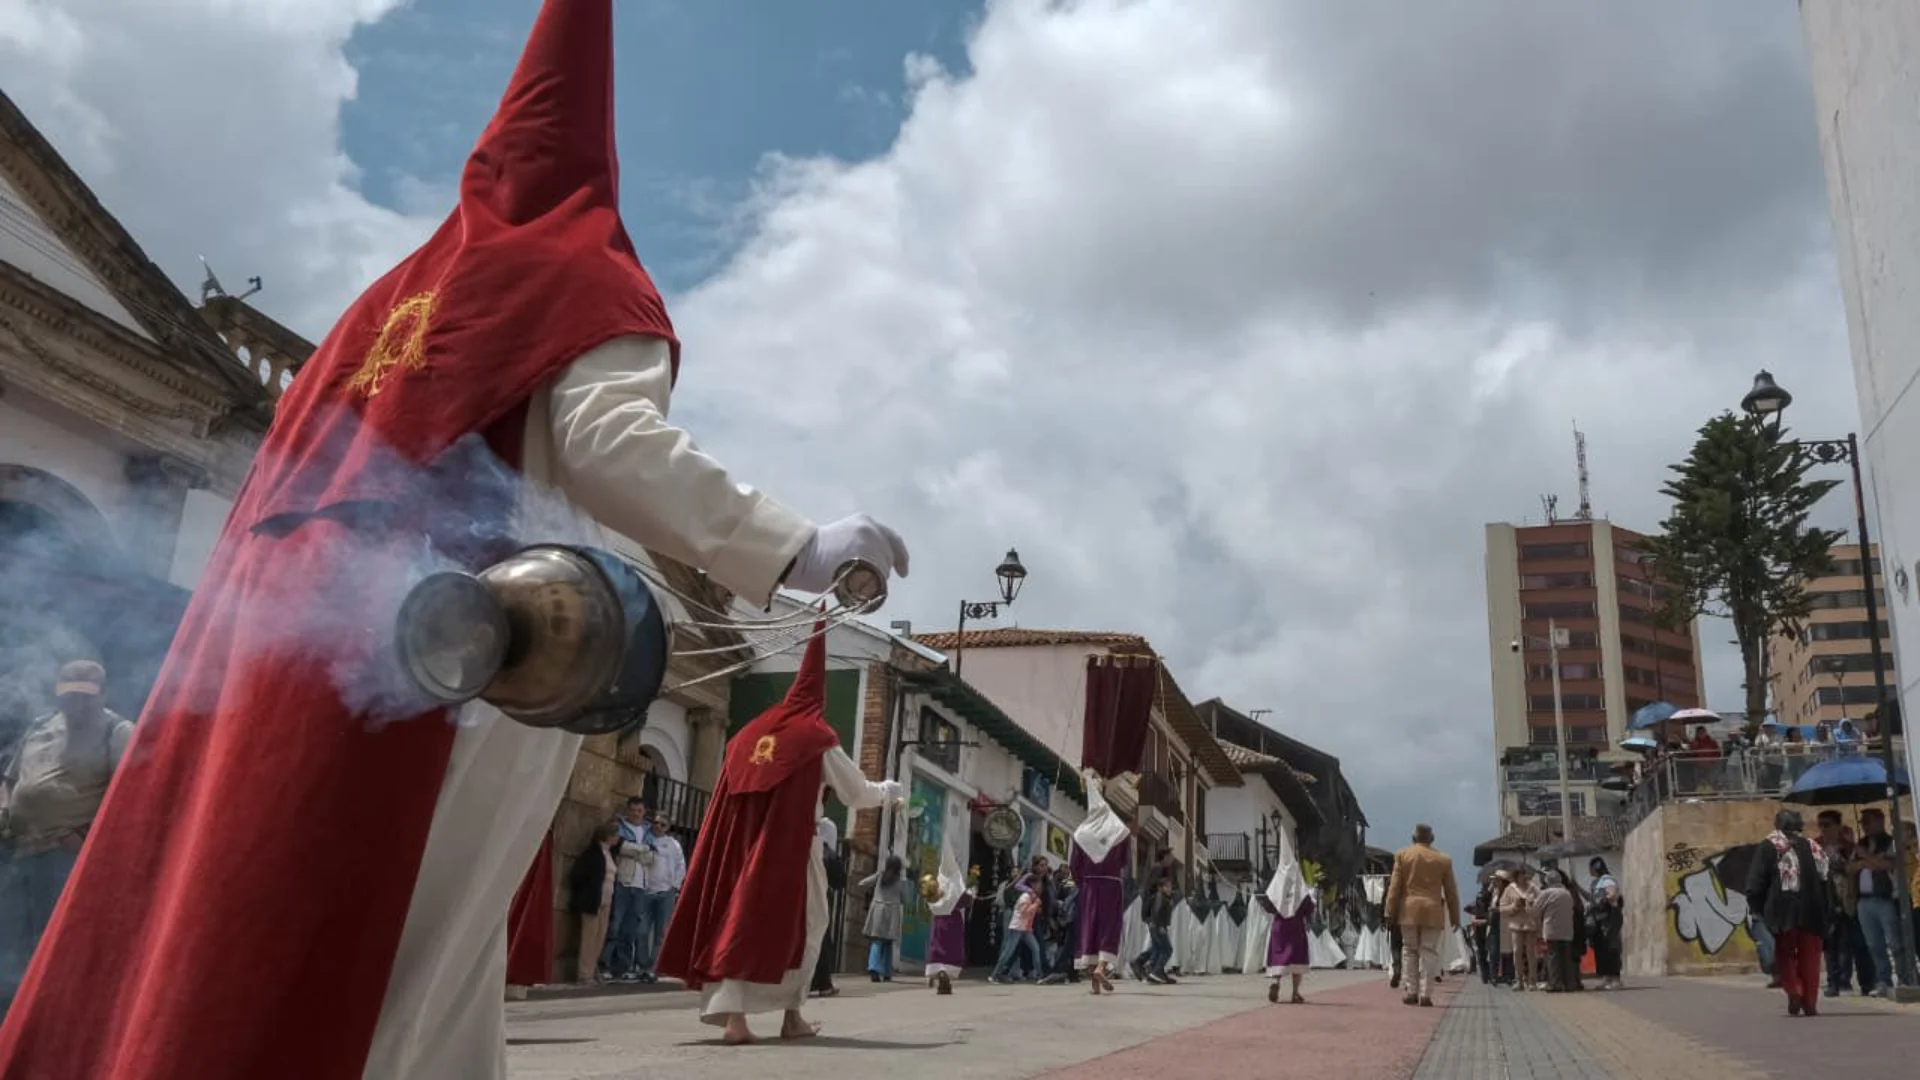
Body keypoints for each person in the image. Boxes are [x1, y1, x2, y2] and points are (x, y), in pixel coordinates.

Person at [0, 2, 914, 1076]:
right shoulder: (583, 273)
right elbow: (608, 440)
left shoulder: (373, 308)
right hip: (471, 654)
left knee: (261, 920)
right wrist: (792, 545)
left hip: (290, 660)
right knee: (410, 945)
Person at [655, 628, 902, 1044]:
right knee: (807, 925)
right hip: (789, 850)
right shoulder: (815, 737)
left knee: (735, 923)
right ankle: (792, 1016)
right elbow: (855, 792)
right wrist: (889, 791)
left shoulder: (744, 737)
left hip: (738, 848)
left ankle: (735, 1019)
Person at [0, 660, 134, 1006]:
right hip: (22, 850)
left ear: (103, 693)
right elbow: (10, 780)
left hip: (67, 857)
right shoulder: (41, 726)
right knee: (15, 948)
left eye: (85, 696)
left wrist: (87, 840)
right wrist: (4, 810)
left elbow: (130, 798)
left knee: (58, 949)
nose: (77, 703)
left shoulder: (116, 731)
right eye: (70, 695)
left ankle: (54, 1016)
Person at [1745, 808, 1831, 1017]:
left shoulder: (1768, 847)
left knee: (1785, 954)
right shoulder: (1813, 847)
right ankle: (1810, 1002)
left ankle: (1794, 990)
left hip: (1783, 911)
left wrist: (1756, 908)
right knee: (1811, 958)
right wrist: (1828, 910)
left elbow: (1756, 883)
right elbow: (1826, 879)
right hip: (1813, 910)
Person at [1071, 771, 1132, 994]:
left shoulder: (1081, 833)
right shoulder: (1121, 832)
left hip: (1088, 886)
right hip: (1111, 884)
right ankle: (1101, 968)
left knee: (1090, 927)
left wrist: (1082, 882)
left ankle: (1094, 981)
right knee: (1109, 926)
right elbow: (1125, 861)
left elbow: (1074, 865)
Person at [1385, 824, 1460, 1007]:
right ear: (1432, 839)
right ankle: (1426, 994)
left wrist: (1389, 911)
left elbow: (1394, 887)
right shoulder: (1443, 859)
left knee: (1409, 950)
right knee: (1429, 951)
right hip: (1433, 910)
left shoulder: (1403, 855)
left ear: (1413, 838)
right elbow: (1451, 891)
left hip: (1408, 909)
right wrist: (1455, 916)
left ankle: (1411, 991)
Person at [1261, 830, 1315, 1005]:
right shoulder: (1298, 879)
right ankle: (1295, 993)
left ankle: (1275, 981)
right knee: (1297, 960)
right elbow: (1309, 906)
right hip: (1296, 926)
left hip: (1279, 925)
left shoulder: (1277, 880)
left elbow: (1268, 905)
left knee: (1279, 957)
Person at [567, 821, 623, 983]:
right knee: (589, 938)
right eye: (615, 835)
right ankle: (584, 974)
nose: (618, 838)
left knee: (600, 937)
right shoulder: (592, 853)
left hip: (607, 900)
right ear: (607, 836)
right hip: (592, 900)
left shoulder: (610, 854)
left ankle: (592, 970)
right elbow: (577, 875)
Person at [924, 847, 974, 995]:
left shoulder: (938, 882)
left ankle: (937, 972)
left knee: (937, 945)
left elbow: (930, 899)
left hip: (939, 920)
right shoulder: (955, 883)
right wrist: (971, 892)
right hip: (954, 921)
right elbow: (965, 901)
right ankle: (946, 974)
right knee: (951, 947)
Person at [861, 854, 914, 982]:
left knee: (877, 941)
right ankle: (886, 972)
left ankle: (873, 966)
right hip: (893, 912)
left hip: (878, 909)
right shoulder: (901, 881)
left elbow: (862, 883)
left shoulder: (880, 876)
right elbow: (906, 899)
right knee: (888, 942)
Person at [808, 817, 844, 999]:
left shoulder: (801, 844)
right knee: (820, 939)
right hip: (820, 895)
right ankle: (822, 984)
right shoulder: (828, 852)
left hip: (798, 896)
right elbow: (839, 880)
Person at [1499, 867, 1541, 992]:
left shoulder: (1534, 888)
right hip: (1516, 924)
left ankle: (1532, 981)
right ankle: (1519, 980)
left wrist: (1532, 903)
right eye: (1521, 875)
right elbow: (1502, 908)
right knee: (1517, 951)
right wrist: (1514, 906)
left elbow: (1541, 903)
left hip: (1530, 924)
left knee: (1531, 952)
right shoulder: (1509, 889)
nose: (1524, 877)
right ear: (1516, 877)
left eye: (1525, 874)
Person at [1585, 858, 1624, 990]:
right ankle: (1606, 977)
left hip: (1609, 918)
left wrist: (1602, 900)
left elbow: (1612, 894)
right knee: (1601, 948)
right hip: (1599, 919)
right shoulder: (1595, 883)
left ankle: (1615, 979)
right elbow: (1591, 898)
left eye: (1590, 867)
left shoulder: (1607, 879)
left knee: (1610, 947)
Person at [1536, 871, 1575, 992]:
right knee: (1566, 958)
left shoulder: (1546, 893)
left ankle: (1555, 984)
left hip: (1552, 928)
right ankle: (1569, 984)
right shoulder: (1567, 893)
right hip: (1567, 929)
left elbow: (1536, 910)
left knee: (1553, 956)